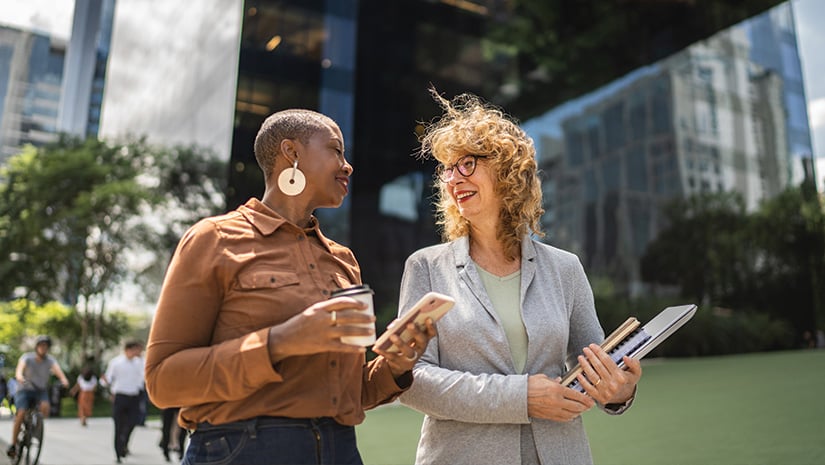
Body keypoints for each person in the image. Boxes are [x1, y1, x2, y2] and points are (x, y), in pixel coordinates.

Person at [145, 108, 436, 465]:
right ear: (292, 153)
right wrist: (282, 341)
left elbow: (350, 393)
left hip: (340, 449)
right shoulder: (214, 239)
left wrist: (394, 366)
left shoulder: (344, 260)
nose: (348, 166)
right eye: (335, 150)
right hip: (243, 449)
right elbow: (162, 381)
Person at [397, 90, 643, 465]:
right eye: (448, 169)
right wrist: (521, 397)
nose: (452, 179)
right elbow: (411, 380)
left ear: (507, 171)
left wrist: (619, 390)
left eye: (467, 164)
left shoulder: (565, 269)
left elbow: (594, 367)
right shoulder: (426, 267)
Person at [6, 335, 70, 459]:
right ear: (37, 347)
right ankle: (13, 444)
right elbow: (19, 370)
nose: (43, 349)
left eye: (46, 347)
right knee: (21, 413)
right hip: (25, 389)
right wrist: (20, 377)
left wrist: (64, 380)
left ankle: (35, 429)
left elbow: (58, 371)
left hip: (40, 390)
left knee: (45, 407)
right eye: (41, 346)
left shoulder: (50, 360)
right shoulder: (27, 358)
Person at [101, 340, 145, 463]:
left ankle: (124, 443)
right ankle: (118, 452)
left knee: (132, 422)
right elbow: (108, 379)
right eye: (136, 350)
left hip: (134, 397)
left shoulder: (140, 362)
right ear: (128, 350)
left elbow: (144, 378)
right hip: (120, 397)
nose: (139, 352)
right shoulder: (116, 362)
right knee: (118, 425)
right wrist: (104, 382)